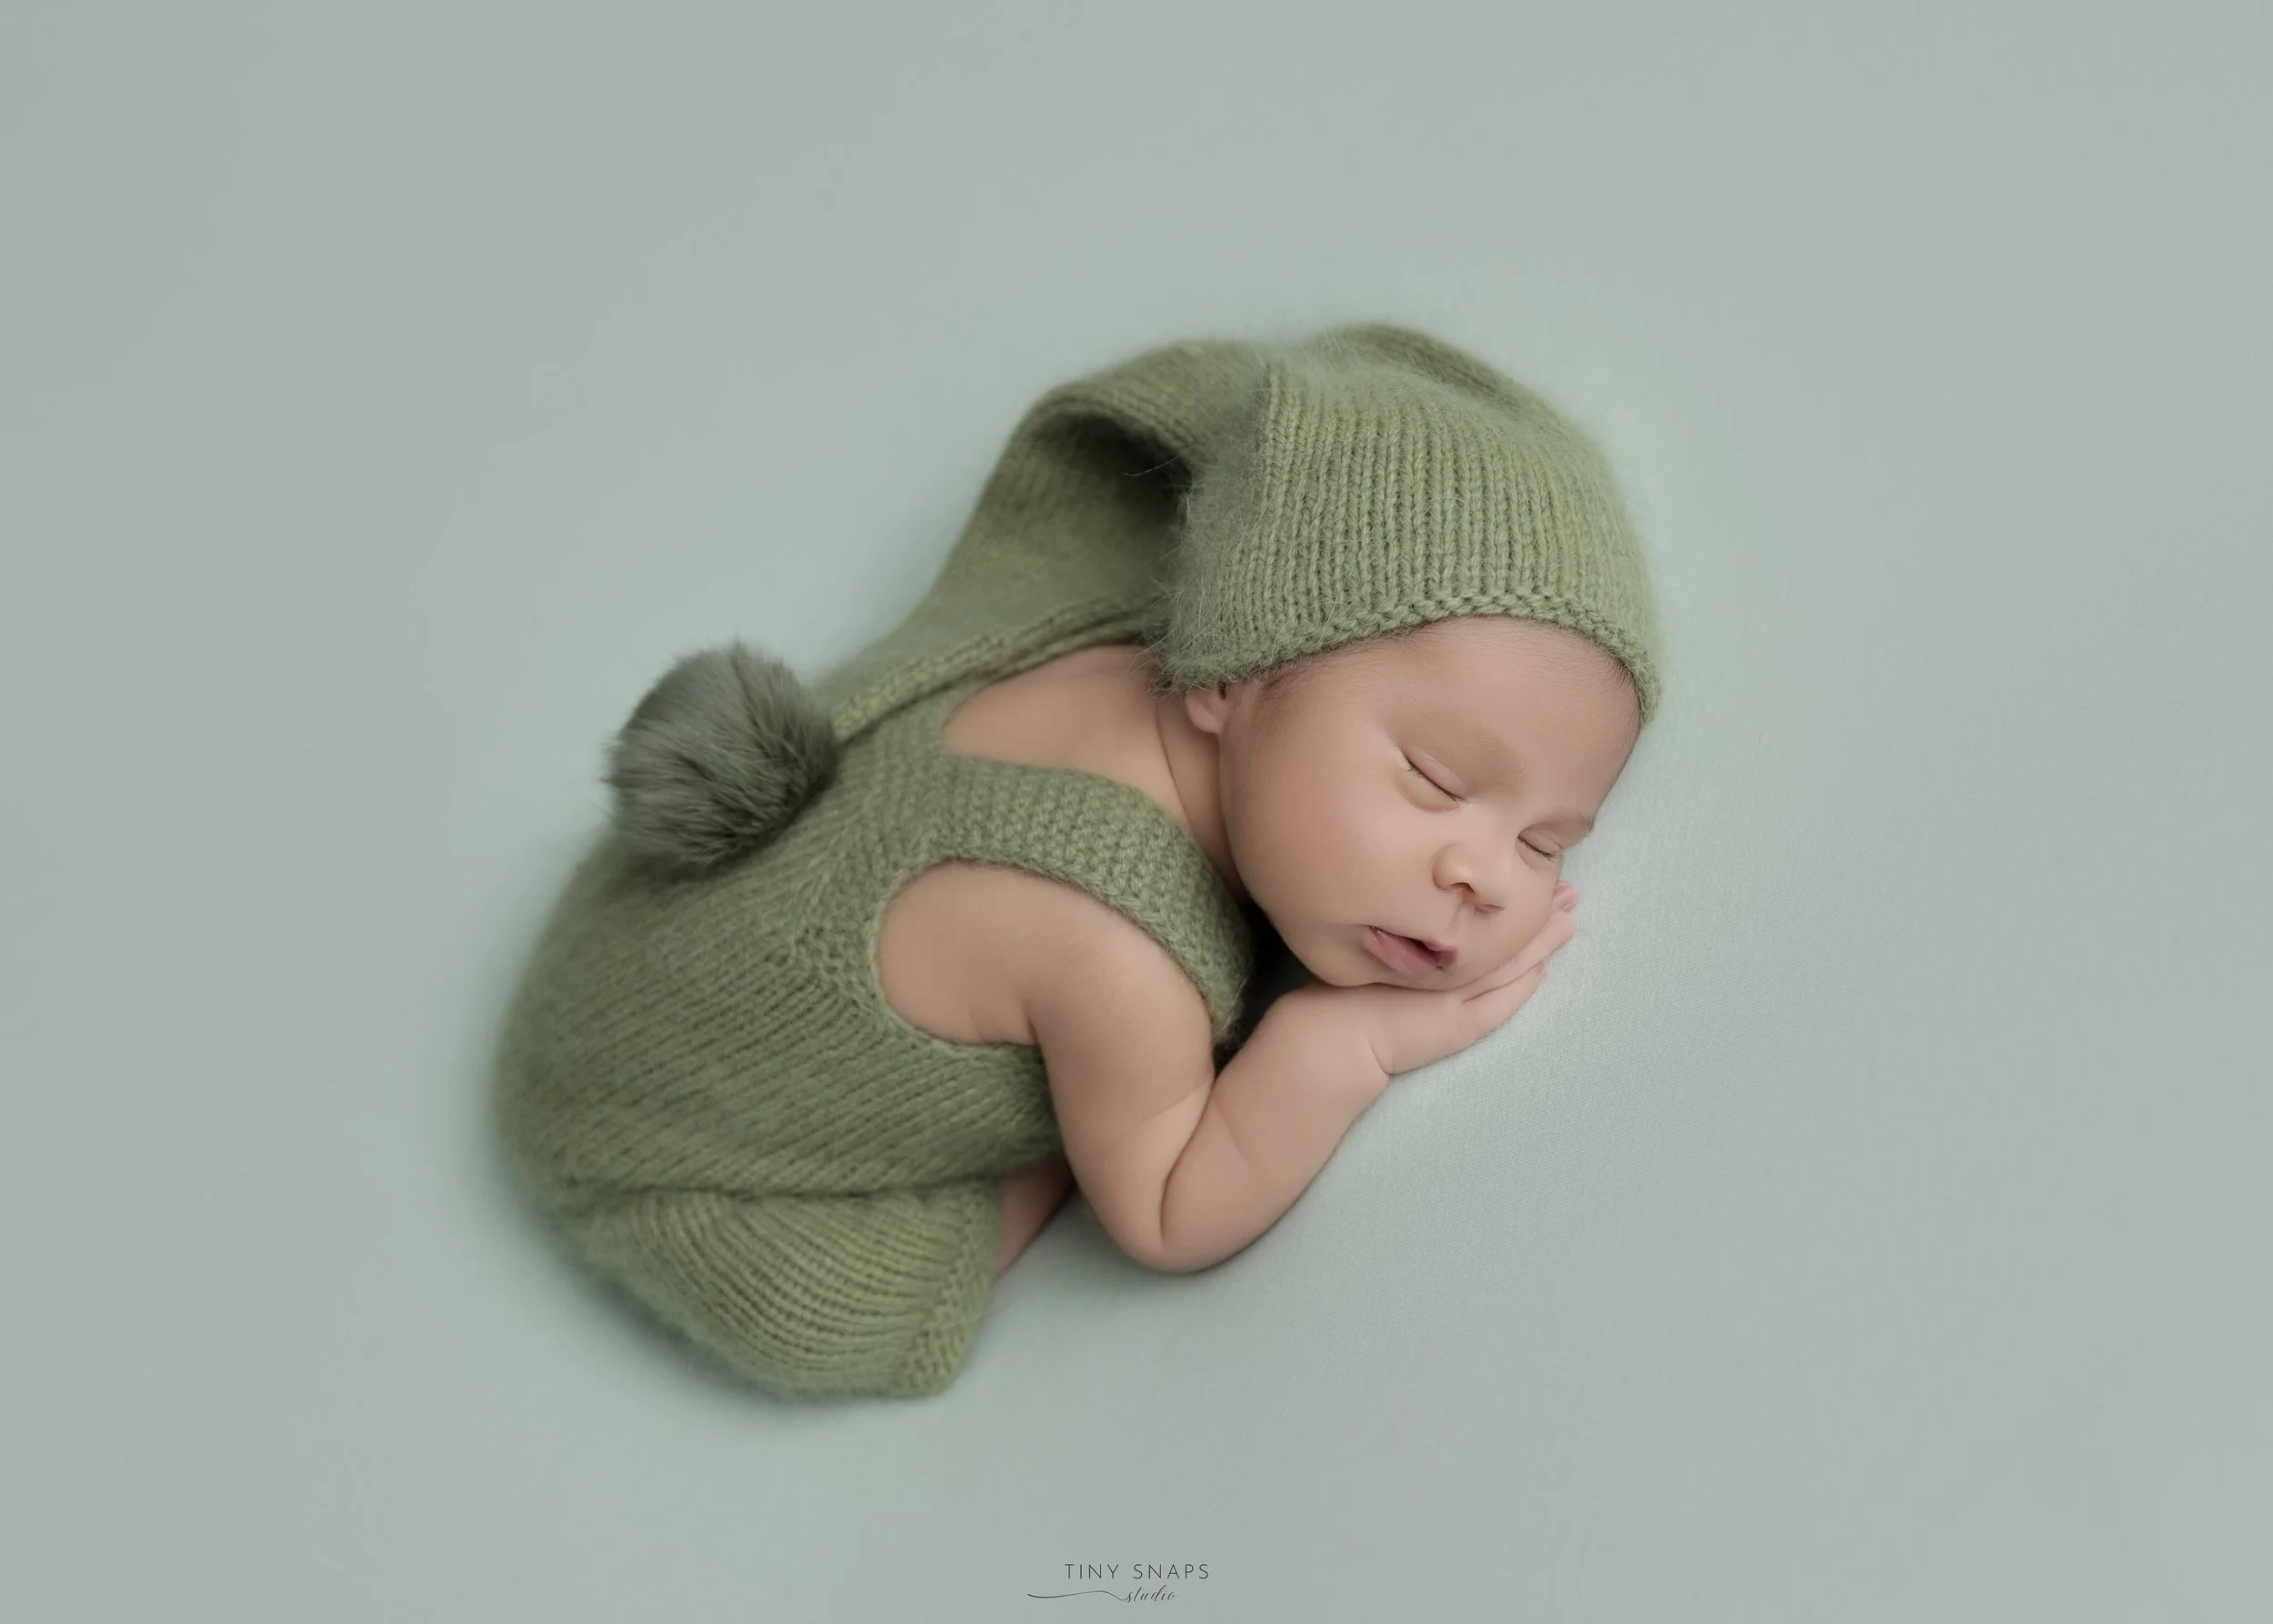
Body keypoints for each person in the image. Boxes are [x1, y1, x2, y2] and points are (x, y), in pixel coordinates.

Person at [491, 321, 1666, 1398]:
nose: (1488, 873)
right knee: (839, 1318)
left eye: (1544, 839)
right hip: (648, 1146)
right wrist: (1339, 1039)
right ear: (1233, 675)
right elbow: (1162, 1210)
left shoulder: (1118, 645)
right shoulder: (1111, 941)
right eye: (1436, 780)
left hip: (636, 917)